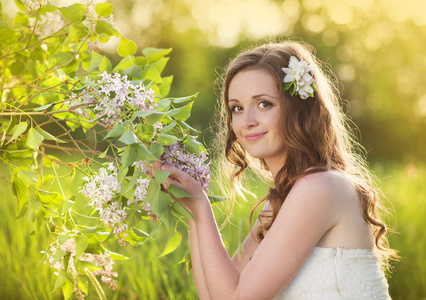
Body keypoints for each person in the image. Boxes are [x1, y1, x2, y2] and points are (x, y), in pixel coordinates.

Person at [153, 41, 396, 299]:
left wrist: (202, 206)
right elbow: (217, 295)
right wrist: (194, 211)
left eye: (264, 104)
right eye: (237, 108)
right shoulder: (281, 203)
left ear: (298, 109)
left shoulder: (320, 187)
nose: (247, 122)